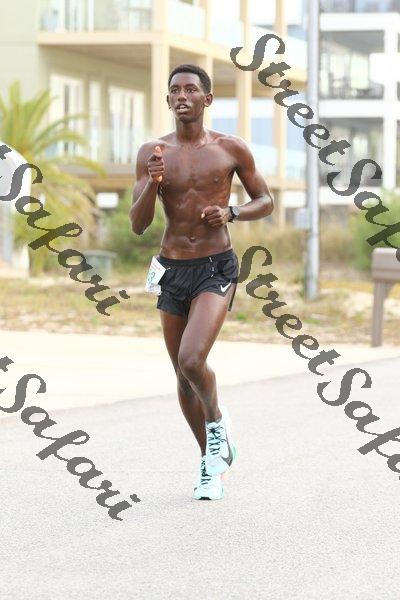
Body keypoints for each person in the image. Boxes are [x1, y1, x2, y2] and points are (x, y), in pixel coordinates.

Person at [130, 64, 274, 500]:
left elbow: (265, 200)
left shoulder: (230, 148)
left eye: (191, 89)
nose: (182, 96)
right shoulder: (152, 153)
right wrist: (153, 184)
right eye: (175, 90)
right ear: (168, 99)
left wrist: (232, 212)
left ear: (207, 99)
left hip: (215, 266)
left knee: (192, 360)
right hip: (172, 269)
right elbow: (138, 224)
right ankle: (211, 460)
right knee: (180, 375)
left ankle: (216, 423)